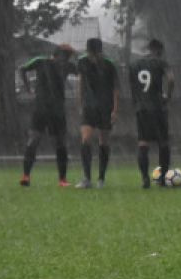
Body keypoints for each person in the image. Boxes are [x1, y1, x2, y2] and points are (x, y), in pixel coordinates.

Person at [19, 44, 77, 187]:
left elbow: (83, 70)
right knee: (33, 140)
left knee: (60, 143)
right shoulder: (41, 61)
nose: (66, 59)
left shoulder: (68, 66)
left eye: (68, 56)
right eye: (65, 55)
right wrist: (28, 88)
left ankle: (62, 179)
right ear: (57, 54)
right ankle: (26, 176)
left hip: (58, 111)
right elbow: (22, 69)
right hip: (41, 108)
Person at [130, 38, 175, 189]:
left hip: (141, 108)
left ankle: (145, 178)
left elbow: (133, 86)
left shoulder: (135, 64)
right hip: (157, 107)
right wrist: (167, 96)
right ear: (159, 50)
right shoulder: (161, 62)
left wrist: (137, 101)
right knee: (163, 143)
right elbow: (171, 79)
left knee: (143, 143)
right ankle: (162, 179)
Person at [75, 37, 119, 189]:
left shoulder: (109, 65)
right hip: (89, 107)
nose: (92, 57)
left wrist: (115, 109)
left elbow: (115, 89)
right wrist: (80, 104)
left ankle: (101, 178)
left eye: (95, 54)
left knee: (104, 141)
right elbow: (80, 83)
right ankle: (87, 178)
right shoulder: (82, 62)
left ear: (100, 52)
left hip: (105, 107)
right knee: (86, 139)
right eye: (90, 54)